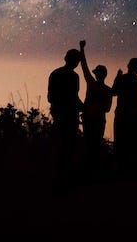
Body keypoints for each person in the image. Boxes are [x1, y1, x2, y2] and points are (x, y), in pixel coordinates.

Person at [47, 45, 84, 195]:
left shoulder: (55, 73)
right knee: (68, 148)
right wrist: (83, 107)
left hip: (59, 114)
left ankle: (58, 179)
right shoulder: (73, 77)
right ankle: (64, 180)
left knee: (60, 147)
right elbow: (74, 97)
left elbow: (51, 97)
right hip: (68, 116)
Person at [79, 40, 113, 177]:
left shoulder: (92, 84)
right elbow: (107, 108)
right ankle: (94, 170)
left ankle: (89, 170)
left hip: (91, 119)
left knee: (89, 144)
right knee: (94, 145)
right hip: (98, 120)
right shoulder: (108, 90)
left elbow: (84, 67)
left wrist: (82, 49)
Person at [111, 57, 137, 177]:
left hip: (122, 113)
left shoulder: (122, 79)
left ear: (128, 66)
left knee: (121, 140)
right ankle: (128, 168)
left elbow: (113, 92)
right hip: (132, 114)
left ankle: (120, 168)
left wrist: (117, 77)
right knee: (131, 140)